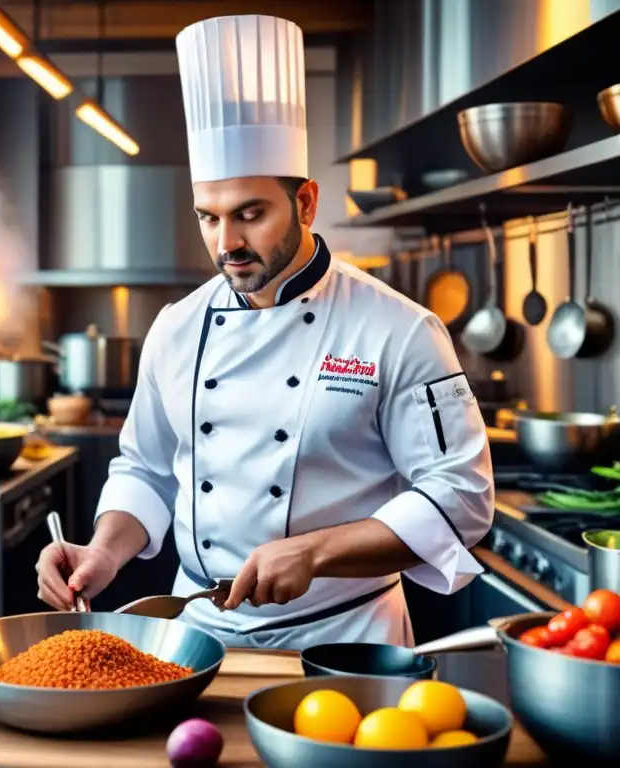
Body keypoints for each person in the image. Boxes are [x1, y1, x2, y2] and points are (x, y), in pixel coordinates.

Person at [35, 14, 494, 650]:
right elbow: (145, 469)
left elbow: (461, 494)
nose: (227, 244)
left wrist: (317, 551)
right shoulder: (176, 328)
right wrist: (106, 551)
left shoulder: (400, 328)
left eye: (250, 214)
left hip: (347, 637)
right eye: (209, 217)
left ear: (305, 202)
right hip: (196, 631)